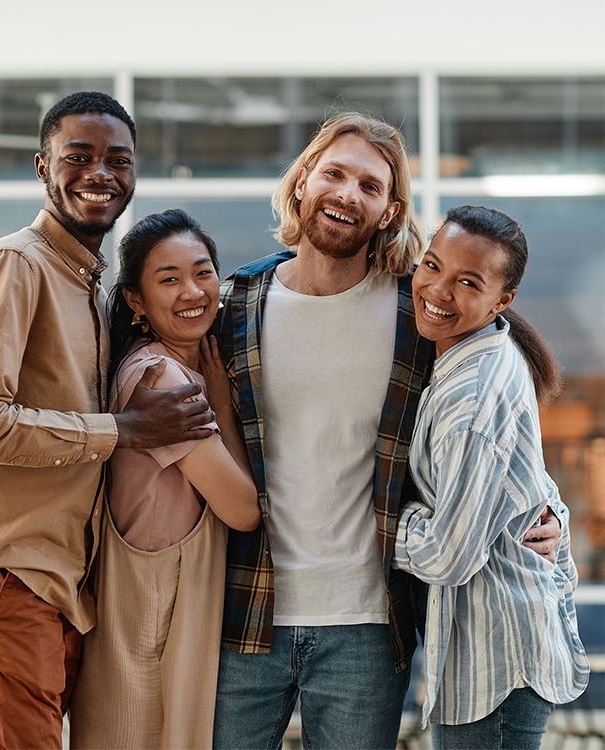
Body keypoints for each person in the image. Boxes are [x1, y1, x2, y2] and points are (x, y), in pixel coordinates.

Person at [211, 113, 562, 750]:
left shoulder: (421, 312)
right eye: (335, 173)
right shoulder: (237, 303)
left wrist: (546, 512)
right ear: (302, 182)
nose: (348, 193)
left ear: (390, 211)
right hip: (247, 613)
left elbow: (501, 420)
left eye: (370, 186)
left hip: (369, 627)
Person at [0, 93, 215, 750]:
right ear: (42, 166)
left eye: (118, 159)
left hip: (53, 588)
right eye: (78, 157)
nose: (100, 173)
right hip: (1, 574)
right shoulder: (15, 266)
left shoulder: (86, 284)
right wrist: (125, 429)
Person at [392, 205, 589, 749]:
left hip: (495, 664)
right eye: (432, 266)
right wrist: (553, 518)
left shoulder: (472, 393)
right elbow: (528, 485)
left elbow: (447, 555)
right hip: (490, 657)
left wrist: (376, 517)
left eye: (468, 282)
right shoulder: (477, 355)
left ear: (503, 300)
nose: (438, 289)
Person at [68, 209, 260, 750]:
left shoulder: (151, 366)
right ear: (135, 300)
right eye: (168, 279)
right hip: (149, 632)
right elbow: (243, 509)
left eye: (202, 273)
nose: (192, 291)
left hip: (146, 624)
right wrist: (221, 404)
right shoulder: (164, 380)